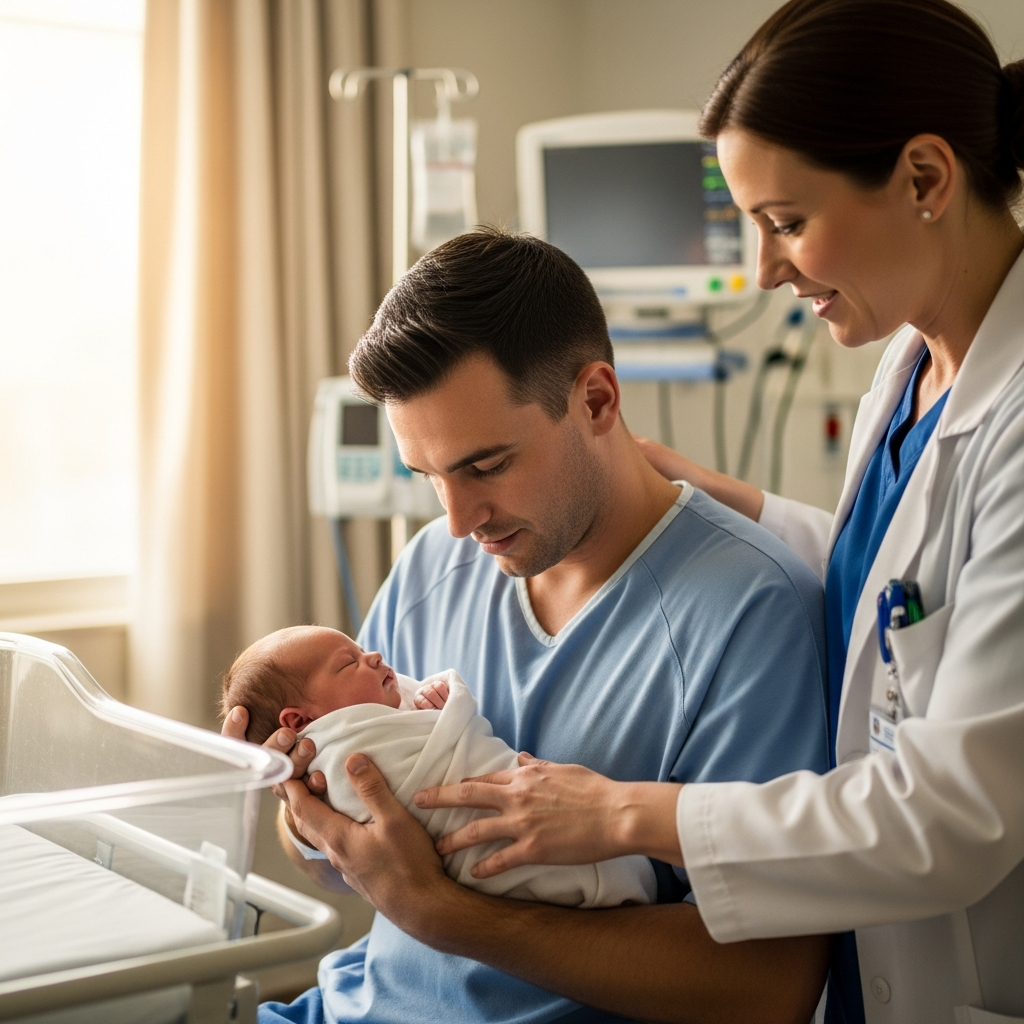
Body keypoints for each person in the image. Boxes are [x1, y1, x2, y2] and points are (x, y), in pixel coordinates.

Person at [413, 3, 1024, 1023]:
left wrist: (615, 812)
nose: (764, 268)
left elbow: (952, 815)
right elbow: (911, 596)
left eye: (785, 221)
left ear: (924, 178)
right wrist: (728, 500)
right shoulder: (913, 363)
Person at [224, 228, 834, 1023]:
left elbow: (767, 987)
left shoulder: (752, 612)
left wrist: (452, 919)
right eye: (428, 476)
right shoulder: (427, 574)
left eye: (485, 466)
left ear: (596, 401)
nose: (456, 520)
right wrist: (305, 804)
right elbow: (354, 865)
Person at [220, 626, 657, 907]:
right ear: (299, 722)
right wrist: (301, 811)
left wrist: (433, 909)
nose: (373, 655)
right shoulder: (343, 750)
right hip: (356, 990)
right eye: (349, 661)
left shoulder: (367, 704)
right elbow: (350, 869)